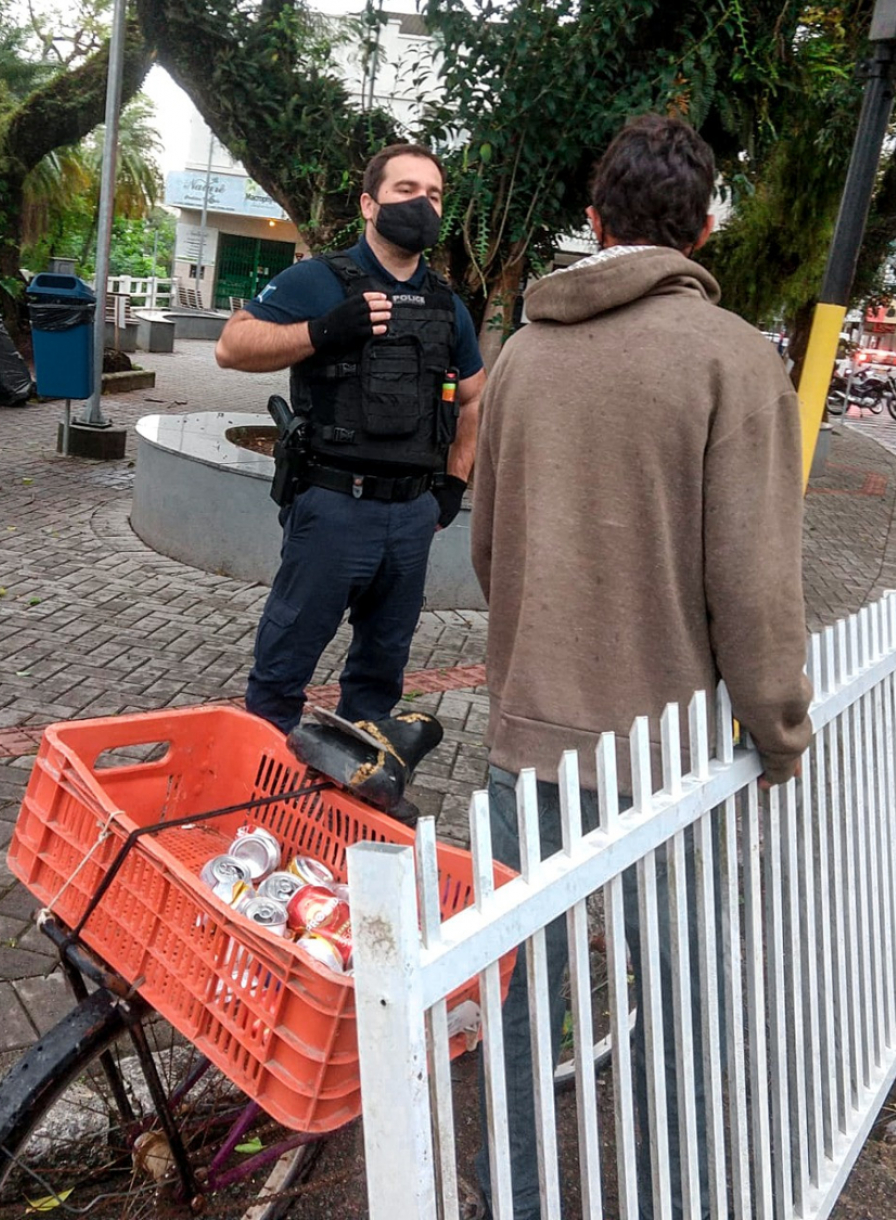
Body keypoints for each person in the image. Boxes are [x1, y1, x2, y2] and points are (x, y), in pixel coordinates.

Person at [468, 114, 813, 1218]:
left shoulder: (519, 354)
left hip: (529, 735)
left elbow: (487, 547)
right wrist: (777, 728)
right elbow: (754, 580)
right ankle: (681, 1191)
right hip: (663, 749)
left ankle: (513, 1196)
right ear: (703, 229)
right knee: (681, 997)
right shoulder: (730, 357)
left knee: (524, 997)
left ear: (593, 220)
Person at [216, 144, 485, 736]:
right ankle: (261, 796)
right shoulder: (319, 281)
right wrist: (323, 330)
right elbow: (231, 346)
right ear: (370, 203)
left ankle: (352, 790)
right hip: (334, 508)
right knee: (283, 669)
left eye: (434, 195)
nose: (423, 205)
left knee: (380, 676)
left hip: (412, 516)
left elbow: (475, 399)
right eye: (407, 191)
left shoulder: (447, 305)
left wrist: (454, 481)